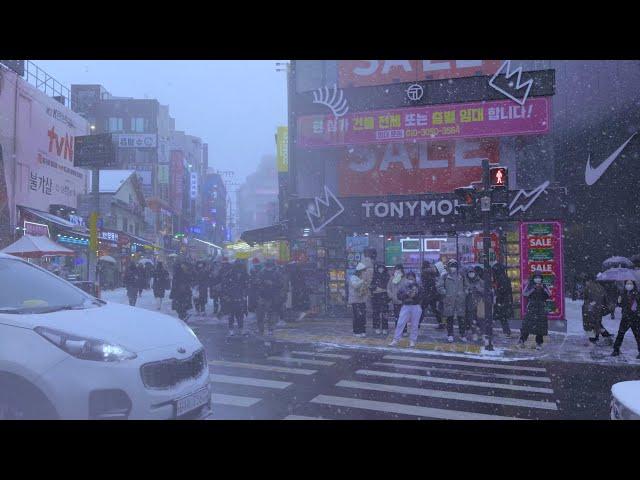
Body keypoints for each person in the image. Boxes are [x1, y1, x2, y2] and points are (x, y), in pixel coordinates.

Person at [389, 271, 423, 348]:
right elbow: (399, 296)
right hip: (406, 306)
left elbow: (422, 297)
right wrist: (406, 294)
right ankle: (396, 339)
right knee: (400, 323)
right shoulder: (403, 286)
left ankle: (412, 341)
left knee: (415, 324)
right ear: (406, 279)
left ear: (415, 278)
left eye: (412, 278)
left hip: (416, 306)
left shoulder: (418, 286)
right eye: (409, 278)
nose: (410, 279)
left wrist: (415, 296)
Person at [437, 259, 468, 343]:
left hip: (460, 300)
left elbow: (466, 286)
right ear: (448, 267)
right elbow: (439, 286)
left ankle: (462, 334)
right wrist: (445, 293)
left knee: (461, 318)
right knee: (449, 318)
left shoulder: (461, 276)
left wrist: (464, 293)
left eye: (454, 266)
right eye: (451, 266)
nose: (453, 268)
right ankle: (450, 334)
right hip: (449, 300)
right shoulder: (444, 276)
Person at [518, 271, 550, 350]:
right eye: (536, 277)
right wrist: (533, 289)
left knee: (540, 327)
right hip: (532, 308)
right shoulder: (530, 285)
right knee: (527, 325)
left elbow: (549, 294)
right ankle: (522, 341)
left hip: (541, 308)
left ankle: (539, 343)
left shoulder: (544, 285)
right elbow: (524, 293)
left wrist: (542, 288)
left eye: (539, 278)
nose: (538, 279)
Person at [612, 279, 640, 358]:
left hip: (635, 318)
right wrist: (619, 301)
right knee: (620, 334)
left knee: (638, 335)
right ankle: (616, 350)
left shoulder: (637, 294)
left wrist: (636, 305)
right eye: (627, 283)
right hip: (625, 317)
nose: (629, 285)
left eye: (630, 283)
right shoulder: (623, 294)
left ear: (633, 285)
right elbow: (620, 305)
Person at [256, 259, 283, 336]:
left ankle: (270, 329)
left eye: (270, 265)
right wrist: (262, 283)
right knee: (261, 314)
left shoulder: (277, 273)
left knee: (271, 314)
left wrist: (272, 284)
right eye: (268, 265)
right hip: (263, 296)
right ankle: (261, 330)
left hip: (273, 296)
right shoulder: (261, 273)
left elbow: (281, 284)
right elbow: (257, 282)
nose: (269, 267)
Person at [222, 260, 249, 336]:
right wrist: (226, 295)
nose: (239, 270)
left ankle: (240, 329)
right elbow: (224, 285)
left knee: (240, 314)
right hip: (231, 297)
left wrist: (245, 293)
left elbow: (247, 286)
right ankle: (231, 330)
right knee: (232, 314)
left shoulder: (244, 275)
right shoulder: (229, 274)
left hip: (240, 297)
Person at [582, 273, 608, 344]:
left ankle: (592, 338)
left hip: (590, 308)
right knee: (597, 322)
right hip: (599, 308)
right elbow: (605, 299)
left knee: (589, 323)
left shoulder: (588, 287)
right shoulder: (601, 287)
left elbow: (585, 297)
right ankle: (598, 336)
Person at [492, 263, 513, 337]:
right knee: (501, 317)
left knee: (501, 316)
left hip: (502, 300)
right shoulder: (503, 277)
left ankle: (506, 332)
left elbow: (502, 290)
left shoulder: (501, 278)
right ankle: (506, 331)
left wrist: (496, 292)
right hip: (503, 300)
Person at [420, 260, 443, 330]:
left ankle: (417, 323)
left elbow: (425, 283)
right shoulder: (433, 272)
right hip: (432, 294)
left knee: (422, 309)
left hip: (427, 294)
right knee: (434, 309)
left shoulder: (424, 272)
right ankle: (441, 323)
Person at [464, 266, 485, 342]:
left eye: (472, 272)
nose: (471, 274)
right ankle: (474, 334)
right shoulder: (466, 282)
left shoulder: (480, 281)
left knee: (481, 320)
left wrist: (479, 289)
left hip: (479, 304)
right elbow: (463, 291)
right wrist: (466, 291)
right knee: (472, 320)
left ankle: (482, 334)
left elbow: (486, 291)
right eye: (469, 273)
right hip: (469, 304)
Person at [348, 262, 369, 337]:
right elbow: (355, 286)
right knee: (357, 316)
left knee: (362, 316)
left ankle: (362, 330)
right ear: (360, 271)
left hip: (362, 299)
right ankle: (356, 331)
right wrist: (362, 281)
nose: (364, 272)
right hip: (355, 300)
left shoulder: (362, 278)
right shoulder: (353, 277)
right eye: (364, 271)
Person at [370, 263, 390, 335]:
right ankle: (377, 328)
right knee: (376, 313)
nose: (380, 269)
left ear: (384, 269)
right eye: (379, 268)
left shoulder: (387, 276)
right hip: (376, 297)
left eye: (382, 268)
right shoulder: (374, 276)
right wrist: (375, 288)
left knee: (385, 313)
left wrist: (381, 289)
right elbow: (371, 286)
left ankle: (385, 328)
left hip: (384, 297)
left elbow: (388, 286)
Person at [386, 264, 405, 333]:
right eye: (396, 269)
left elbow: (406, 288)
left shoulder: (404, 279)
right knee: (397, 316)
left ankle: (404, 330)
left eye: (399, 269)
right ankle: (398, 330)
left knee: (403, 316)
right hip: (395, 300)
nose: (398, 271)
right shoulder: (392, 278)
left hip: (403, 301)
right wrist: (391, 295)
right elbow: (388, 288)